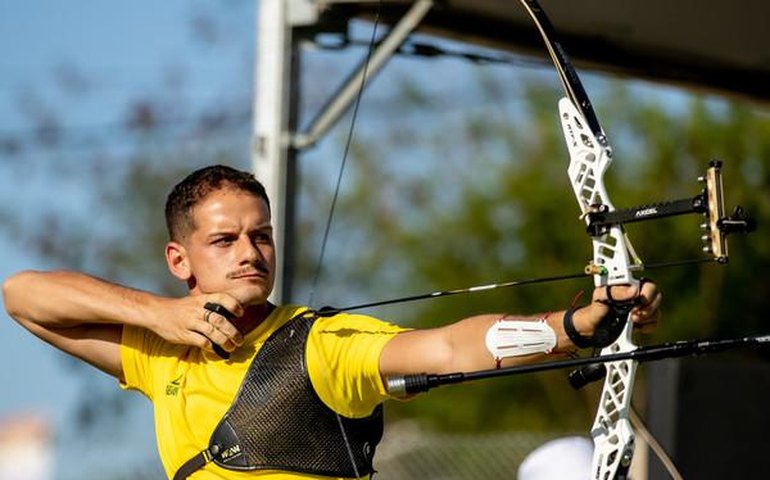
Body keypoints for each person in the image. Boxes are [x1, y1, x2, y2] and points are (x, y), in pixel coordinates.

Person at [2, 165, 661, 480]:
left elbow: (448, 347)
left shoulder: (318, 344)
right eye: (224, 240)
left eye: (261, 235)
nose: (250, 253)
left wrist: (573, 326)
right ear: (180, 260)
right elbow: (23, 295)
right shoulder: (161, 352)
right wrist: (159, 313)